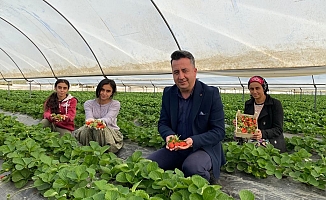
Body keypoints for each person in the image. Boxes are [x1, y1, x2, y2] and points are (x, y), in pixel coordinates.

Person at [147, 50, 226, 183]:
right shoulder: (169, 93)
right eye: (176, 72)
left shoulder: (210, 94)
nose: (181, 76)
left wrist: (193, 141)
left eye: (185, 70)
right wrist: (169, 136)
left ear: (194, 71)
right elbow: (163, 123)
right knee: (148, 165)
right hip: (177, 148)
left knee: (192, 167)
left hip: (203, 147)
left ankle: (202, 190)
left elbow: (219, 131)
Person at [236, 76, 286, 153]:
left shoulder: (275, 104)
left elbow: (278, 129)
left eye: (257, 88)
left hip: (270, 139)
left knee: (257, 149)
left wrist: (262, 133)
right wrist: (240, 123)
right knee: (237, 139)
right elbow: (248, 124)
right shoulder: (248, 104)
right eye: (251, 89)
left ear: (264, 88)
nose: (254, 92)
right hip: (252, 138)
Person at [74, 79, 123, 153]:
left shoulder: (115, 104)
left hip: (110, 130)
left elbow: (109, 118)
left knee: (100, 129)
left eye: (108, 91)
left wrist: (99, 123)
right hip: (91, 128)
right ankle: (89, 149)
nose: (104, 93)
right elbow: (89, 117)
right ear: (98, 89)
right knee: (85, 130)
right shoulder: (89, 103)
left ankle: (103, 150)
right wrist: (91, 122)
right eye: (102, 90)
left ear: (112, 92)